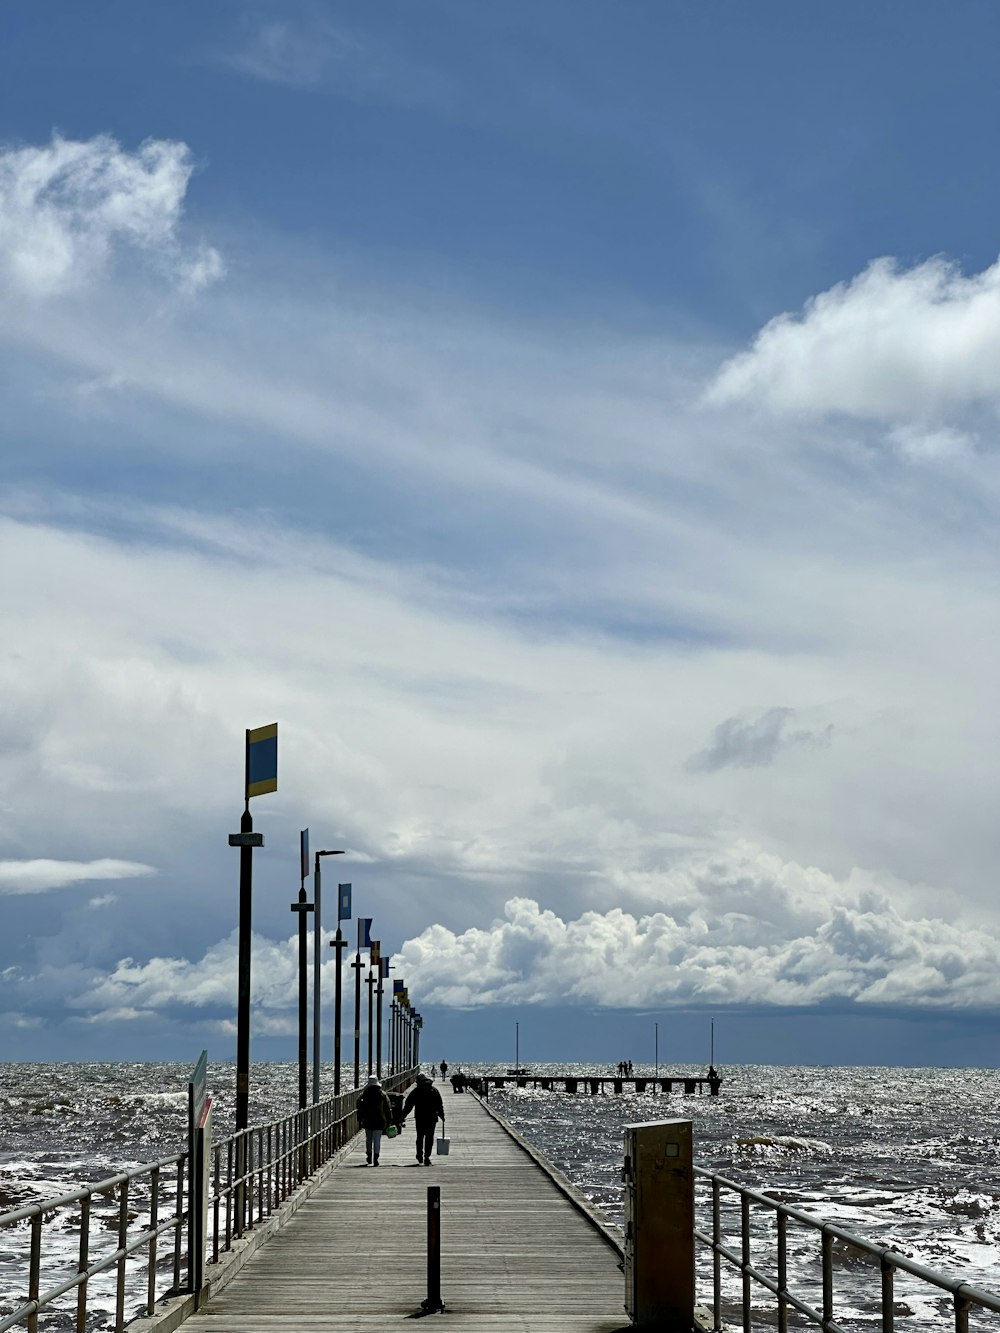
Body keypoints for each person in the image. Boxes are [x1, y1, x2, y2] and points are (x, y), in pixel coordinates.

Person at [404, 1071, 445, 1165]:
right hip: (432, 1118)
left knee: (420, 1137)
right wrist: (442, 1115)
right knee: (429, 1138)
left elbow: (408, 1105)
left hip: (420, 1118)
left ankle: (419, 1156)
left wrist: (402, 1116)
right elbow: (439, 1104)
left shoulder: (416, 1091)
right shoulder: (434, 1090)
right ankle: (427, 1157)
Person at [356, 1075, 393, 1166]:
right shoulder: (383, 1094)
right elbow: (387, 1108)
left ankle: (369, 1155)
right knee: (377, 1139)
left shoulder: (363, 1094)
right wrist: (389, 1120)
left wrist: (359, 1119)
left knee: (369, 1139)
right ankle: (376, 1158)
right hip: (380, 1120)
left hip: (368, 1120)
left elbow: (359, 1107)